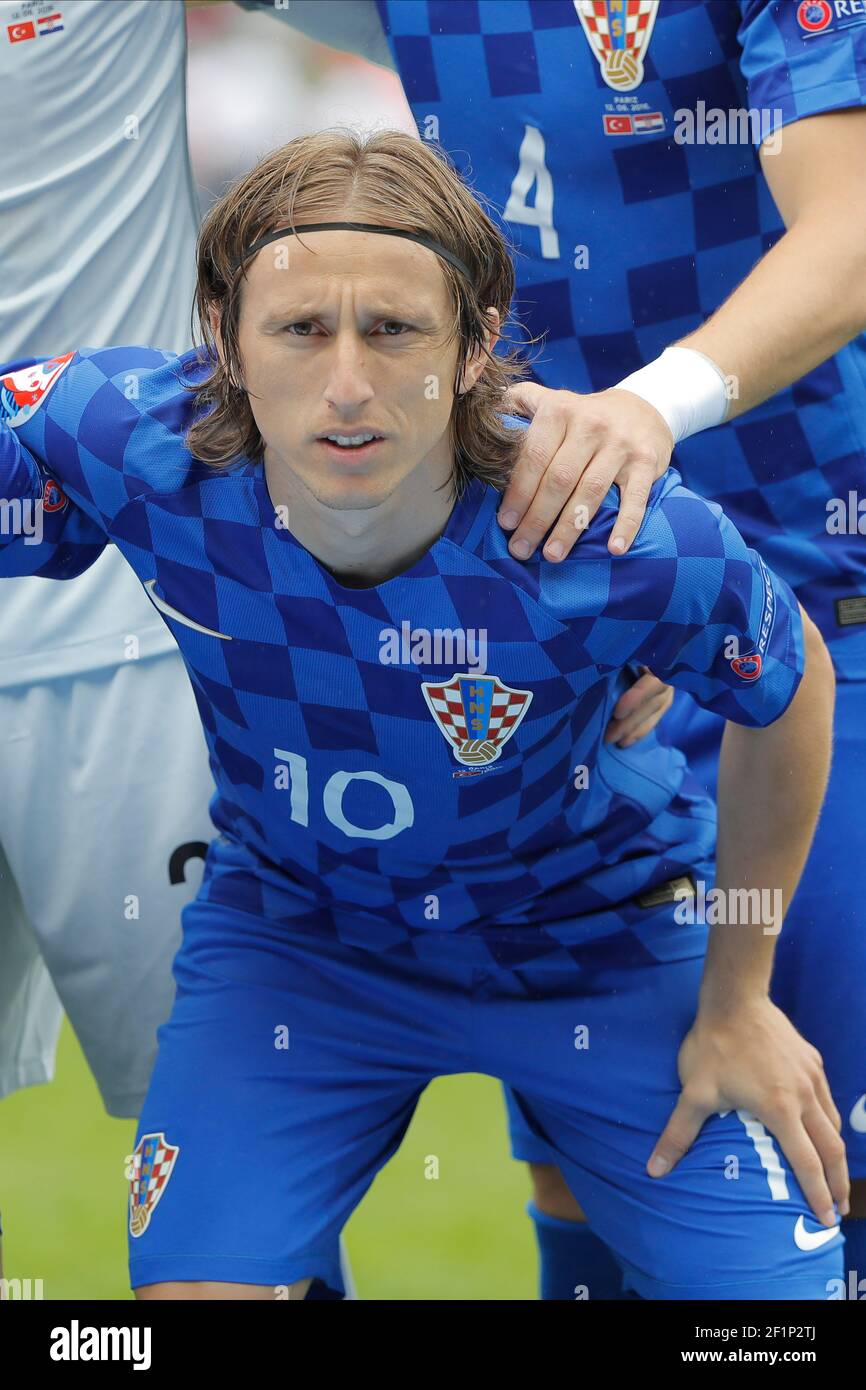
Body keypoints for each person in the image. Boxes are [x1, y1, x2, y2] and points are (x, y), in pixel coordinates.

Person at [0, 129, 846, 1300]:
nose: (347, 381)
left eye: (393, 331)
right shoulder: (129, 440)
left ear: (476, 342)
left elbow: (791, 677)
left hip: (596, 947)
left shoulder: (605, 528)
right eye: (300, 330)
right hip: (303, 947)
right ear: (225, 341)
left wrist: (740, 997)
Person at [244, 0, 866, 1299]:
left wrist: (648, 409)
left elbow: (852, 232)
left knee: (823, 1164)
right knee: (603, 1166)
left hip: (822, 644)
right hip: (590, 662)